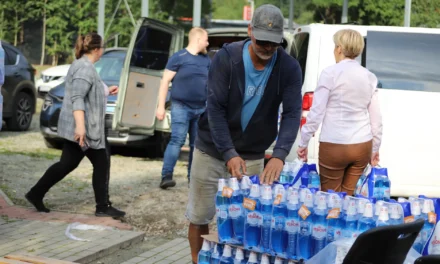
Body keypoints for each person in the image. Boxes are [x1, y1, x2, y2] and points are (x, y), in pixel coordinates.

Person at [185, 5, 303, 263]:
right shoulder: (227, 58)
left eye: (273, 43)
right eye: (261, 41)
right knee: (200, 216)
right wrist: (228, 153)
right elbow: (214, 108)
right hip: (211, 151)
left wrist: (279, 155)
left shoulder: (289, 68)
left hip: (251, 155)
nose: (267, 48)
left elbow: (293, 114)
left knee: (249, 220)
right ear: (250, 32)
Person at [25, 33, 125, 218]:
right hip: (85, 128)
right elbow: (77, 97)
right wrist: (80, 127)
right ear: (96, 49)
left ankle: (36, 193)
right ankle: (102, 206)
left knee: (67, 164)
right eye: (102, 47)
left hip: (82, 127)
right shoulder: (84, 68)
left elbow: (85, 90)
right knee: (101, 162)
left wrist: (105, 89)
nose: (103, 50)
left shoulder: (83, 65)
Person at [297, 29, 383, 195]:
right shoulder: (369, 77)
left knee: (331, 199)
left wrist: (303, 142)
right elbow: (376, 120)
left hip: (334, 144)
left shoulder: (329, 74)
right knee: (349, 197)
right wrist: (374, 149)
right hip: (362, 145)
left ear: (339, 48)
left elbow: (316, 114)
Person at [156, 27, 210, 189]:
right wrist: (160, 107)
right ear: (198, 40)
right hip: (181, 107)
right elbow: (164, 82)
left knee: (197, 145)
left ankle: (192, 178)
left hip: (201, 109)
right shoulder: (178, 57)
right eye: (206, 39)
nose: (208, 43)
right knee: (177, 140)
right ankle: (166, 176)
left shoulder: (206, 60)